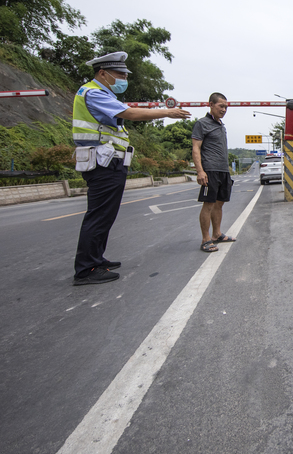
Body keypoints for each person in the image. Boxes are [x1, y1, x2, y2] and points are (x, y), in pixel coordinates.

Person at [73, 52, 191, 285]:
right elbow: (129, 113)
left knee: (105, 215)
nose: (123, 79)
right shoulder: (93, 92)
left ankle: (96, 259)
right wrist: (167, 112)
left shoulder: (102, 93)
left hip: (108, 162)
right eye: (119, 74)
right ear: (102, 73)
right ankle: (86, 269)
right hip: (102, 163)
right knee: (98, 216)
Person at [192, 93, 236, 252]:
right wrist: (200, 171)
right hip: (210, 170)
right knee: (209, 204)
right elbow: (196, 148)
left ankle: (217, 234)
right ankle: (206, 239)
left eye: (226, 107)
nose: (224, 109)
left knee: (220, 203)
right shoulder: (202, 124)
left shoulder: (221, 125)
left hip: (223, 170)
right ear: (211, 104)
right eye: (221, 106)